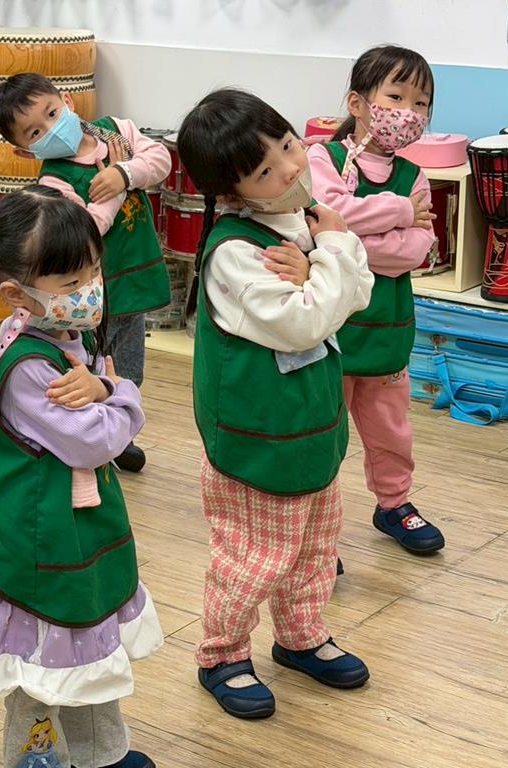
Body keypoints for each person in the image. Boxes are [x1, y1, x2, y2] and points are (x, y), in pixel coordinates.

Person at [0, 186, 163, 768]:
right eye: (72, 281)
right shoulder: (30, 369)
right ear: (16, 295)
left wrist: (102, 387)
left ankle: (100, 752)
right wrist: (120, 392)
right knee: (38, 657)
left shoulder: (57, 331)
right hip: (33, 535)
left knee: (84, 640)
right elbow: (98, 438)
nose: (90, 288)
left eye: (93, 271)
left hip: (61, 520)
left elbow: (94, 400)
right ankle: (38, 760)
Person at [177, 89, 374, 719]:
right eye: (266, 170)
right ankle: (222, 654)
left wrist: (323, 262)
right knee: (253, 557)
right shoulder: (235, 254)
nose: (291, 168)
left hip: (310, 426)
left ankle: (301, 637)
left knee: (316, 547)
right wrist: (329, 259)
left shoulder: (302, 220)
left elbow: (359, 293)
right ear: (231, 192)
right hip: (257, 439)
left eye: (289, 145)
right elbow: (305, 322)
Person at [0, 73, 173, 473]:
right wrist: (117, 191)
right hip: (88, 289)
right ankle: (89, 425)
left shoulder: (115, 130)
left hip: (134, 276)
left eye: (52, 113)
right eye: (35, 132)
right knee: (91, 355)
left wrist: (125, 173)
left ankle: (121, 424)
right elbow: (82, 230)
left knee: (129, 361)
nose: (51, 127)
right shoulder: (54, 181)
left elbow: (160, 158)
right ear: (24, 151)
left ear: (68, 101)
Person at [308, 45, 444, 561]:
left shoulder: (415, 176)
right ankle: (314, 525)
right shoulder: (322, 158)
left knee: (391, 430)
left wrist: (356, 232)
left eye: (421, 102)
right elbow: (326, 217)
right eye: (397, 96)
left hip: (387, 329)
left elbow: (417, 250)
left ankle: (394, 504)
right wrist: (401, 214)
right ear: (358, 102)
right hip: (332, 330)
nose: (409, 112)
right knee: (323, 432)